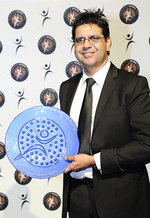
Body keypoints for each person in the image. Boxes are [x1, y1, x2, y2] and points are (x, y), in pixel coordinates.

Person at [59, 9, 150, 218]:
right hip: (76, 195)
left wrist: (94, 160)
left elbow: (147, 144)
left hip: (122, 198)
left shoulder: (133, 85)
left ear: (107, 42)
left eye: (93, 38)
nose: (86, 45)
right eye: (79, 39)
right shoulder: (67, 88)